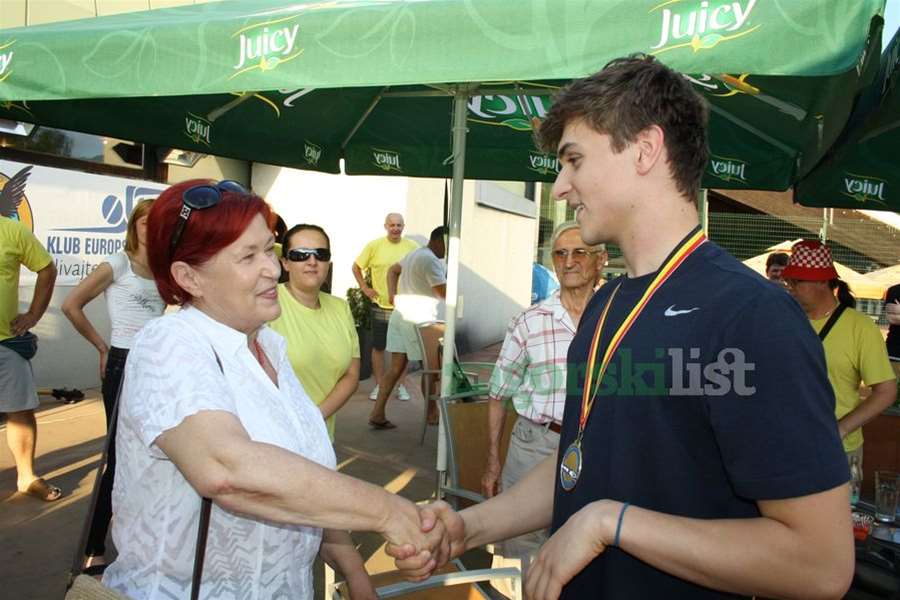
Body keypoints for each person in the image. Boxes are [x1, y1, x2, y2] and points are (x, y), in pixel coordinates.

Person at [389, 54, 855, 600]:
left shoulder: (751, 316)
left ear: (645, 149)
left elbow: (820, 564)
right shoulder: (608, 304)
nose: (560, 186)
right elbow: (580, 462)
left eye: (574, 160)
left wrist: (609, 523)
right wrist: (471, 526)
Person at [102, 180, 443, 600]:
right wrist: (389, 511)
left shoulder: (267, 345)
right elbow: (226, 470)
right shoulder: (170, 343)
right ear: (188, 277)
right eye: (248, 256)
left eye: (269, 250)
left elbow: (299, 474)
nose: (273, 268)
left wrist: (355, 572)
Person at [481, 221, 604, 582]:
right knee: (520, 544)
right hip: (536, 444)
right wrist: (493, 461)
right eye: (560, 254)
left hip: (597, 445)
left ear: (600, 260)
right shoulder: (529, 322)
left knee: (587, 539)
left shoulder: (616, 318)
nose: (569, 261)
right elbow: (497, 394)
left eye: (579, 252)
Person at [61, 198, 165, 570]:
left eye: (159, 222)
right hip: (124, 364)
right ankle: (94, 546)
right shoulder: (118, 264)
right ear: (134, 225)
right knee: (118, 457)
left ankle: (137, 533)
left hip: (158, 366)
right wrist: (102, 346)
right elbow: (71, 304)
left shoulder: (164, 268)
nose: (151, 228)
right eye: (145, 222)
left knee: (154, 452)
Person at [784, 240, 896, 465]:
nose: (790, 286)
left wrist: (841, 429)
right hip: (784, 443)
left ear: (823, 282)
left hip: (836, 450)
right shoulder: (782, 319)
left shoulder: (860, 327)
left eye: (798, 281)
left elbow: (886, 392)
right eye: (788, 281)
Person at [269, 224, 359, 440]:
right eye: (300, 255)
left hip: (322, 436)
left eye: (321, 254)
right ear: (285, 263)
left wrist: (315, 418)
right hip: (276, 437)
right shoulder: (268, 304)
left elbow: (351, 374)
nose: (312, 261)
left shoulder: (340, 307)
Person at [0, 213, 59, 501]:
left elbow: (46, 269)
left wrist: (34, 314)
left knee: (20, 411)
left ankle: (26, 477)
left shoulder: (12, 231)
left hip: (6, 341)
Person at [369, 226, 446, 429]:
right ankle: (431, 414)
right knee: (431, 369)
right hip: (418, 319)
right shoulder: (430, 260)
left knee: (396, 367)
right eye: (447, 245)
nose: (448, 252)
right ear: (439, 241)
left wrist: (393, 295)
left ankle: (377, 413)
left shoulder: (415, 253)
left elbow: (392, 270)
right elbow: (444, 293)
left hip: (400, 315)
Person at [353, 213, 418, 402]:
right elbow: (356, 267)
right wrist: (365, 288)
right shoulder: (374, 246)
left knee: (403, 349)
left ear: (403, 227)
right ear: (385, 226)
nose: (395, 228)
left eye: (399, 225)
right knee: (379, 347)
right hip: (380, 305)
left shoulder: (412, 248)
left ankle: (401, 386)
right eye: (392, 225)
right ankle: (380, 386)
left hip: (405, 307)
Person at [885, 283, 900, 378]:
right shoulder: (895, 290)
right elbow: (892, 318)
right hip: (895, 351)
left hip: (893, 349)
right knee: (891, 388)